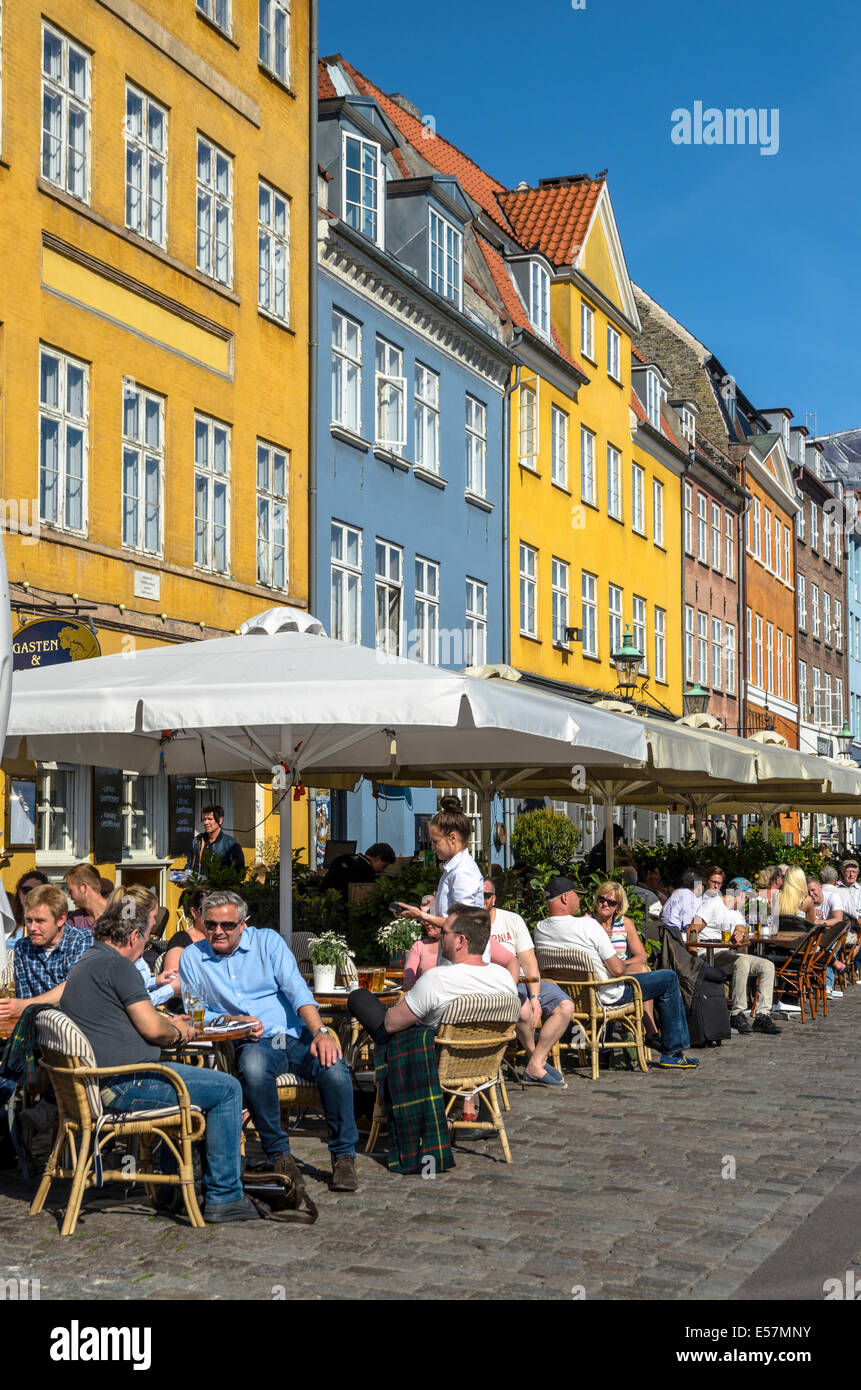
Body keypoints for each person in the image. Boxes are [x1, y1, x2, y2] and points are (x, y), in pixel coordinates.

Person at [60, 897, 257, 1223]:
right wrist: (178, 1033)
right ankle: (224, 1196)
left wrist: (168, 1024)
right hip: (124, 1084)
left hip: (97, 1083)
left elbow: (135, 1019)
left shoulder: (88, 961)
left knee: (180, 1081)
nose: (146, 945)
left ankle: (172, 1193)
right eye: (147, 937)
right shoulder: (118, 966)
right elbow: (153, 1028)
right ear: (134, 936)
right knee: (227, 1089)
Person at [178, 890, 360, 1192]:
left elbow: (297, 991)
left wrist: (321, 1033)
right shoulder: (193, 958)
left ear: (243, 924)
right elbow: (196, 1015)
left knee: (334, 1066)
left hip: (295, 1034)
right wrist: (235, 1022)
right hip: (251, 1040)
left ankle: (343, 1156)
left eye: (226, 925)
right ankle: (279, 1154)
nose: (218, 932)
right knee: (252, 1067)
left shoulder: (268, 942)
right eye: (210, 925)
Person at [534, 877, 698, 1069]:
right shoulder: (587, 926)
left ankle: (648, 1036)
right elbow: (618, 969)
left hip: (569, 997)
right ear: (564, 898)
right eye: (576, 896)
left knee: (644, 971)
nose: (580, 900)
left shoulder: (540, 929)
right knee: (668, 978)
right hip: (606, 994)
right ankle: (673, 1051)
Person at [349, 905, 518, 1037]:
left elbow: (391, 1024)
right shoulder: (505, 978)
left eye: (444, 932)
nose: (440, 937)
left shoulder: (438, 978)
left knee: (359, 997)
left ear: (460, 940)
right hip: (485, 1062)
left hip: (432, 1062)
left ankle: (384, 1071)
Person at [482, 879, 574, 1087]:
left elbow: (529, 961)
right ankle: (536, 1062)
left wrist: (536, 997)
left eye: (486, 895)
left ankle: (535, 1062)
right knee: (523, 1011)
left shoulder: (512, 920)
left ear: (493, 899)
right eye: (476, 895)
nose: (481, 900)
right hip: (499, 986)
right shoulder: (468, 924)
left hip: (525, 981)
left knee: (566, 1006)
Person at [690, 867, 782, 1035]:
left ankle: (762, 1015)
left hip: (726, 955)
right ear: (739, 895)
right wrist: (694, 955)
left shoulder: (736, 913)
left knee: (767, 965)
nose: (746, 902)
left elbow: (742, 929)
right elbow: (692, 930)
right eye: (746, 898)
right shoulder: (712, 904)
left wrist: (741, 934)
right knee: (741, 962)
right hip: (708, 953)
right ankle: (737, 1013)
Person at [0, 884, 93, 1022]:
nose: (32, 927)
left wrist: (24, 1006)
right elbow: (25, 996)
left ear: (61, 919)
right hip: (38, 1027)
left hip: (78, 1028)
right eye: (28, 920)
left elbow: (72, 989)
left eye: (40, 921)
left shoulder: (82, 940)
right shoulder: (23, 947)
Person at [398, 797, 483, 928]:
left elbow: (463, 923)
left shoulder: (463, 871)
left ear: (452, 838)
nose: (432, 847)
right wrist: (433, 906)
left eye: (435, 841)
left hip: (464, 947)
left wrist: (422, 916)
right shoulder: (455, 867)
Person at [591, 880, 658, 1041]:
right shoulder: (588, 922)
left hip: (620, 972)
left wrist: (620, 964)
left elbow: (641, 956)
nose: (605, 904)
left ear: (618, 906)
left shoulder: (625, 923)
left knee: (643, 968)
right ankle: (651, 1032)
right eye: (602, 899)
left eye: (611, 902)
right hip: (597, 975)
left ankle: (651, 1030)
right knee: (645, 972)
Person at [186, 804, 245, 877]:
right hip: (197, 887)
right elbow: (189, 864)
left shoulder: (231, 845)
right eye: (204, 819)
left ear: (220, 820)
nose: (206, 822)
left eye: (210, 819)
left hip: (219, 888)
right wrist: (184, 879)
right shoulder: (197, 841)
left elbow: (239, 873)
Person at [319, 842, 395, 897]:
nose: (383, 870)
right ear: (377, 858)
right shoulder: (366, 870)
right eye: (384, 866)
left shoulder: (344, 857)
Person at [7, 869, 48, 944]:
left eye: (37, 891)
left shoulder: (50, 924)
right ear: (19, 893)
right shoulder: (7, 921)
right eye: (26, 890)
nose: (30, 895)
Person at [64, 863, 108, 929]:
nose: (68, 895)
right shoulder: (73, 920)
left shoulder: (118, 915)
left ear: (83, 887)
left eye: (70, 890)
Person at [660, 869, 704, 935]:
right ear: (699, 885)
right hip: (675, 938)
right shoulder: (692, 899)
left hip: (663, 934)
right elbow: (691, 928)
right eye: (704, 885)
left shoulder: (677, 893)